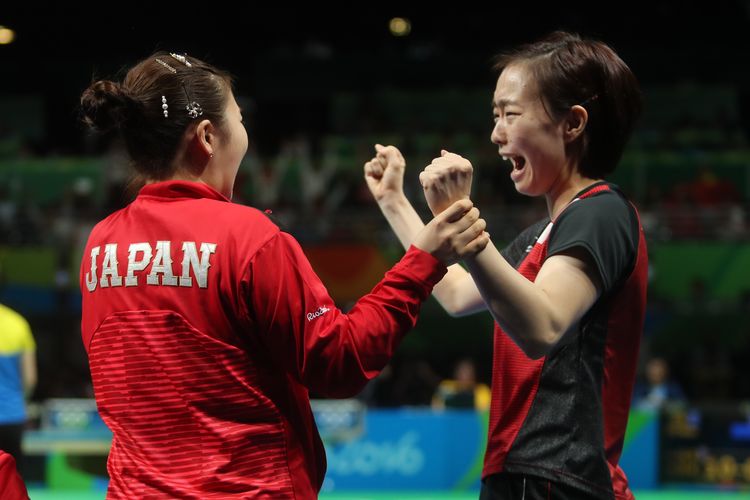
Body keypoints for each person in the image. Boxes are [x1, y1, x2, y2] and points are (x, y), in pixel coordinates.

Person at [78, 51, 489, 499]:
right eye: (240, 119)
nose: (245, 133)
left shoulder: (101, 244)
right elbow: (340, 363)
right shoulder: (249, 237)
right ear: (208, 136)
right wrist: (422, 263)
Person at [365, 31, 647, 499]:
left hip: (561, 474)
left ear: (572, 123)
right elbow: (456, 294)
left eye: (510, 114)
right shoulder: (540, 236)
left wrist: (461, 215)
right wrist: (395, 202)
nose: (495, 133)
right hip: (520, 473)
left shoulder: (602, 212)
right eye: (494, 115)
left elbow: (542, 324)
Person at [0, 301, 36, 472]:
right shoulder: (18, 323)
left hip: (13, 414)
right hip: (12, 416)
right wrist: (21, 401)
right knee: (11, 481)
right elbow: (30, 379)